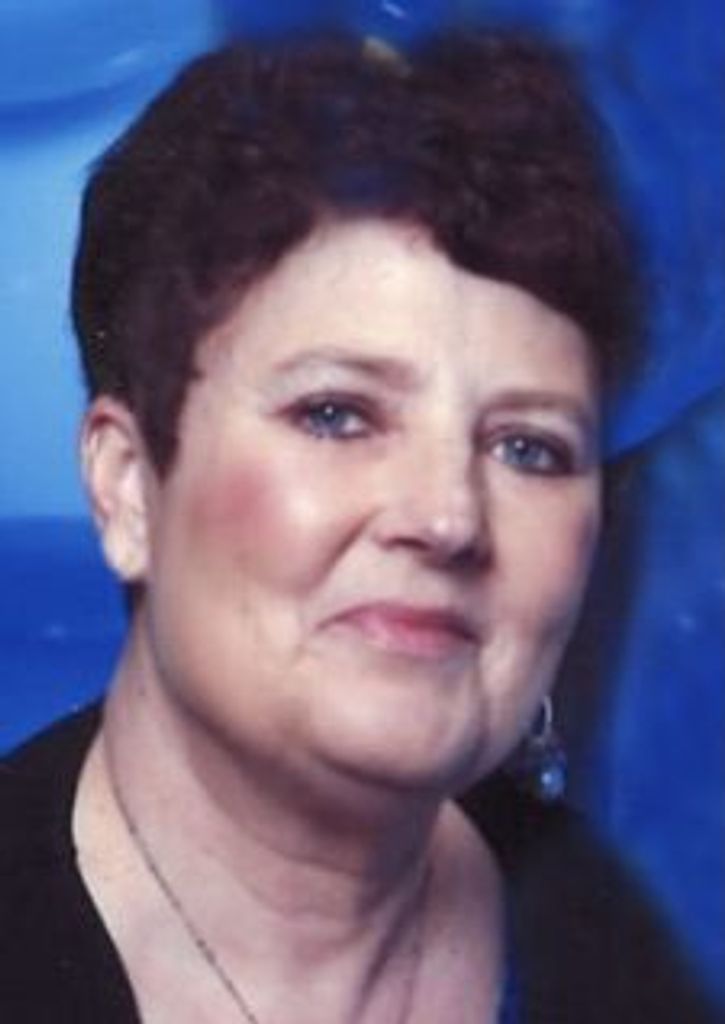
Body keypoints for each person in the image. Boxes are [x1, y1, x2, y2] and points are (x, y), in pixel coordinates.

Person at [0, 28, 716, 1024]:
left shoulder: (627, 957)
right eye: (336, 414)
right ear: (127, 487)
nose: (447, 517)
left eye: (528, 447)